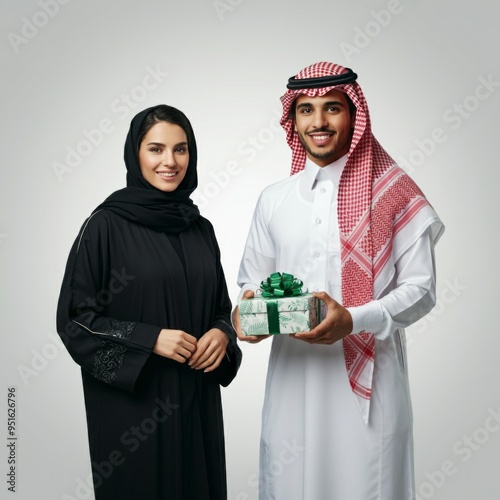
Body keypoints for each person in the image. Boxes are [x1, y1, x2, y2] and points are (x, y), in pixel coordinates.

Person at [233, 62, 445, 500]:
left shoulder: (394, 191)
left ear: (354, 115)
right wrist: (247, 315)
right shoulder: (274, 199)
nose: (319, 122)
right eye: (306, 110)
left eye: (333, 108)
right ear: (293, 121)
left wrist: (354, 319)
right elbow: (251, 281)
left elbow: (421, 290)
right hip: (292, 380)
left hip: (369, 384)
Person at [57, 104, 242, 500]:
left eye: (181, 149)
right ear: (135, 153)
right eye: (156, 149)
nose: (170, 162)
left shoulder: (199, 229)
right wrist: (150, 339)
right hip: (134, 415)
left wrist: (221, 335)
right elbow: (75, 320)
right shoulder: (105, 225)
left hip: (196, 402)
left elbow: (220, 309)